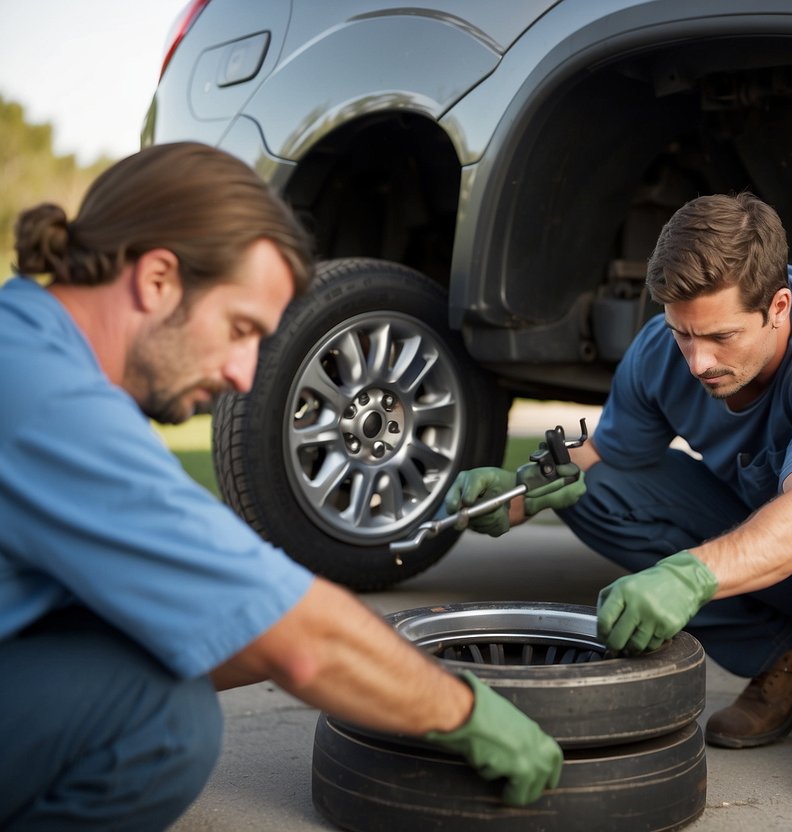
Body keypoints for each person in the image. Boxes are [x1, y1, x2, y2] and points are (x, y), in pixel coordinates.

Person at [0, 142, 561, 830]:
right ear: (157, 279)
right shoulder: (47, 402)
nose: (243, 374)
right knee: (164, 723)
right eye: (240, 330)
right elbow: (298, 642)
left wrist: (342, 648)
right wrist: (462, 712)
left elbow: (218, 613)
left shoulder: (26, 346)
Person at [445, 192, 792, 797]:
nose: (699, 362)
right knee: (584, 487)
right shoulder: (665, 349)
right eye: (683, 334)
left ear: (777, 307)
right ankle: (784, 657)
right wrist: (514, 495)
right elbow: (607, 452)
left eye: (721, 336)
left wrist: (686, 576)